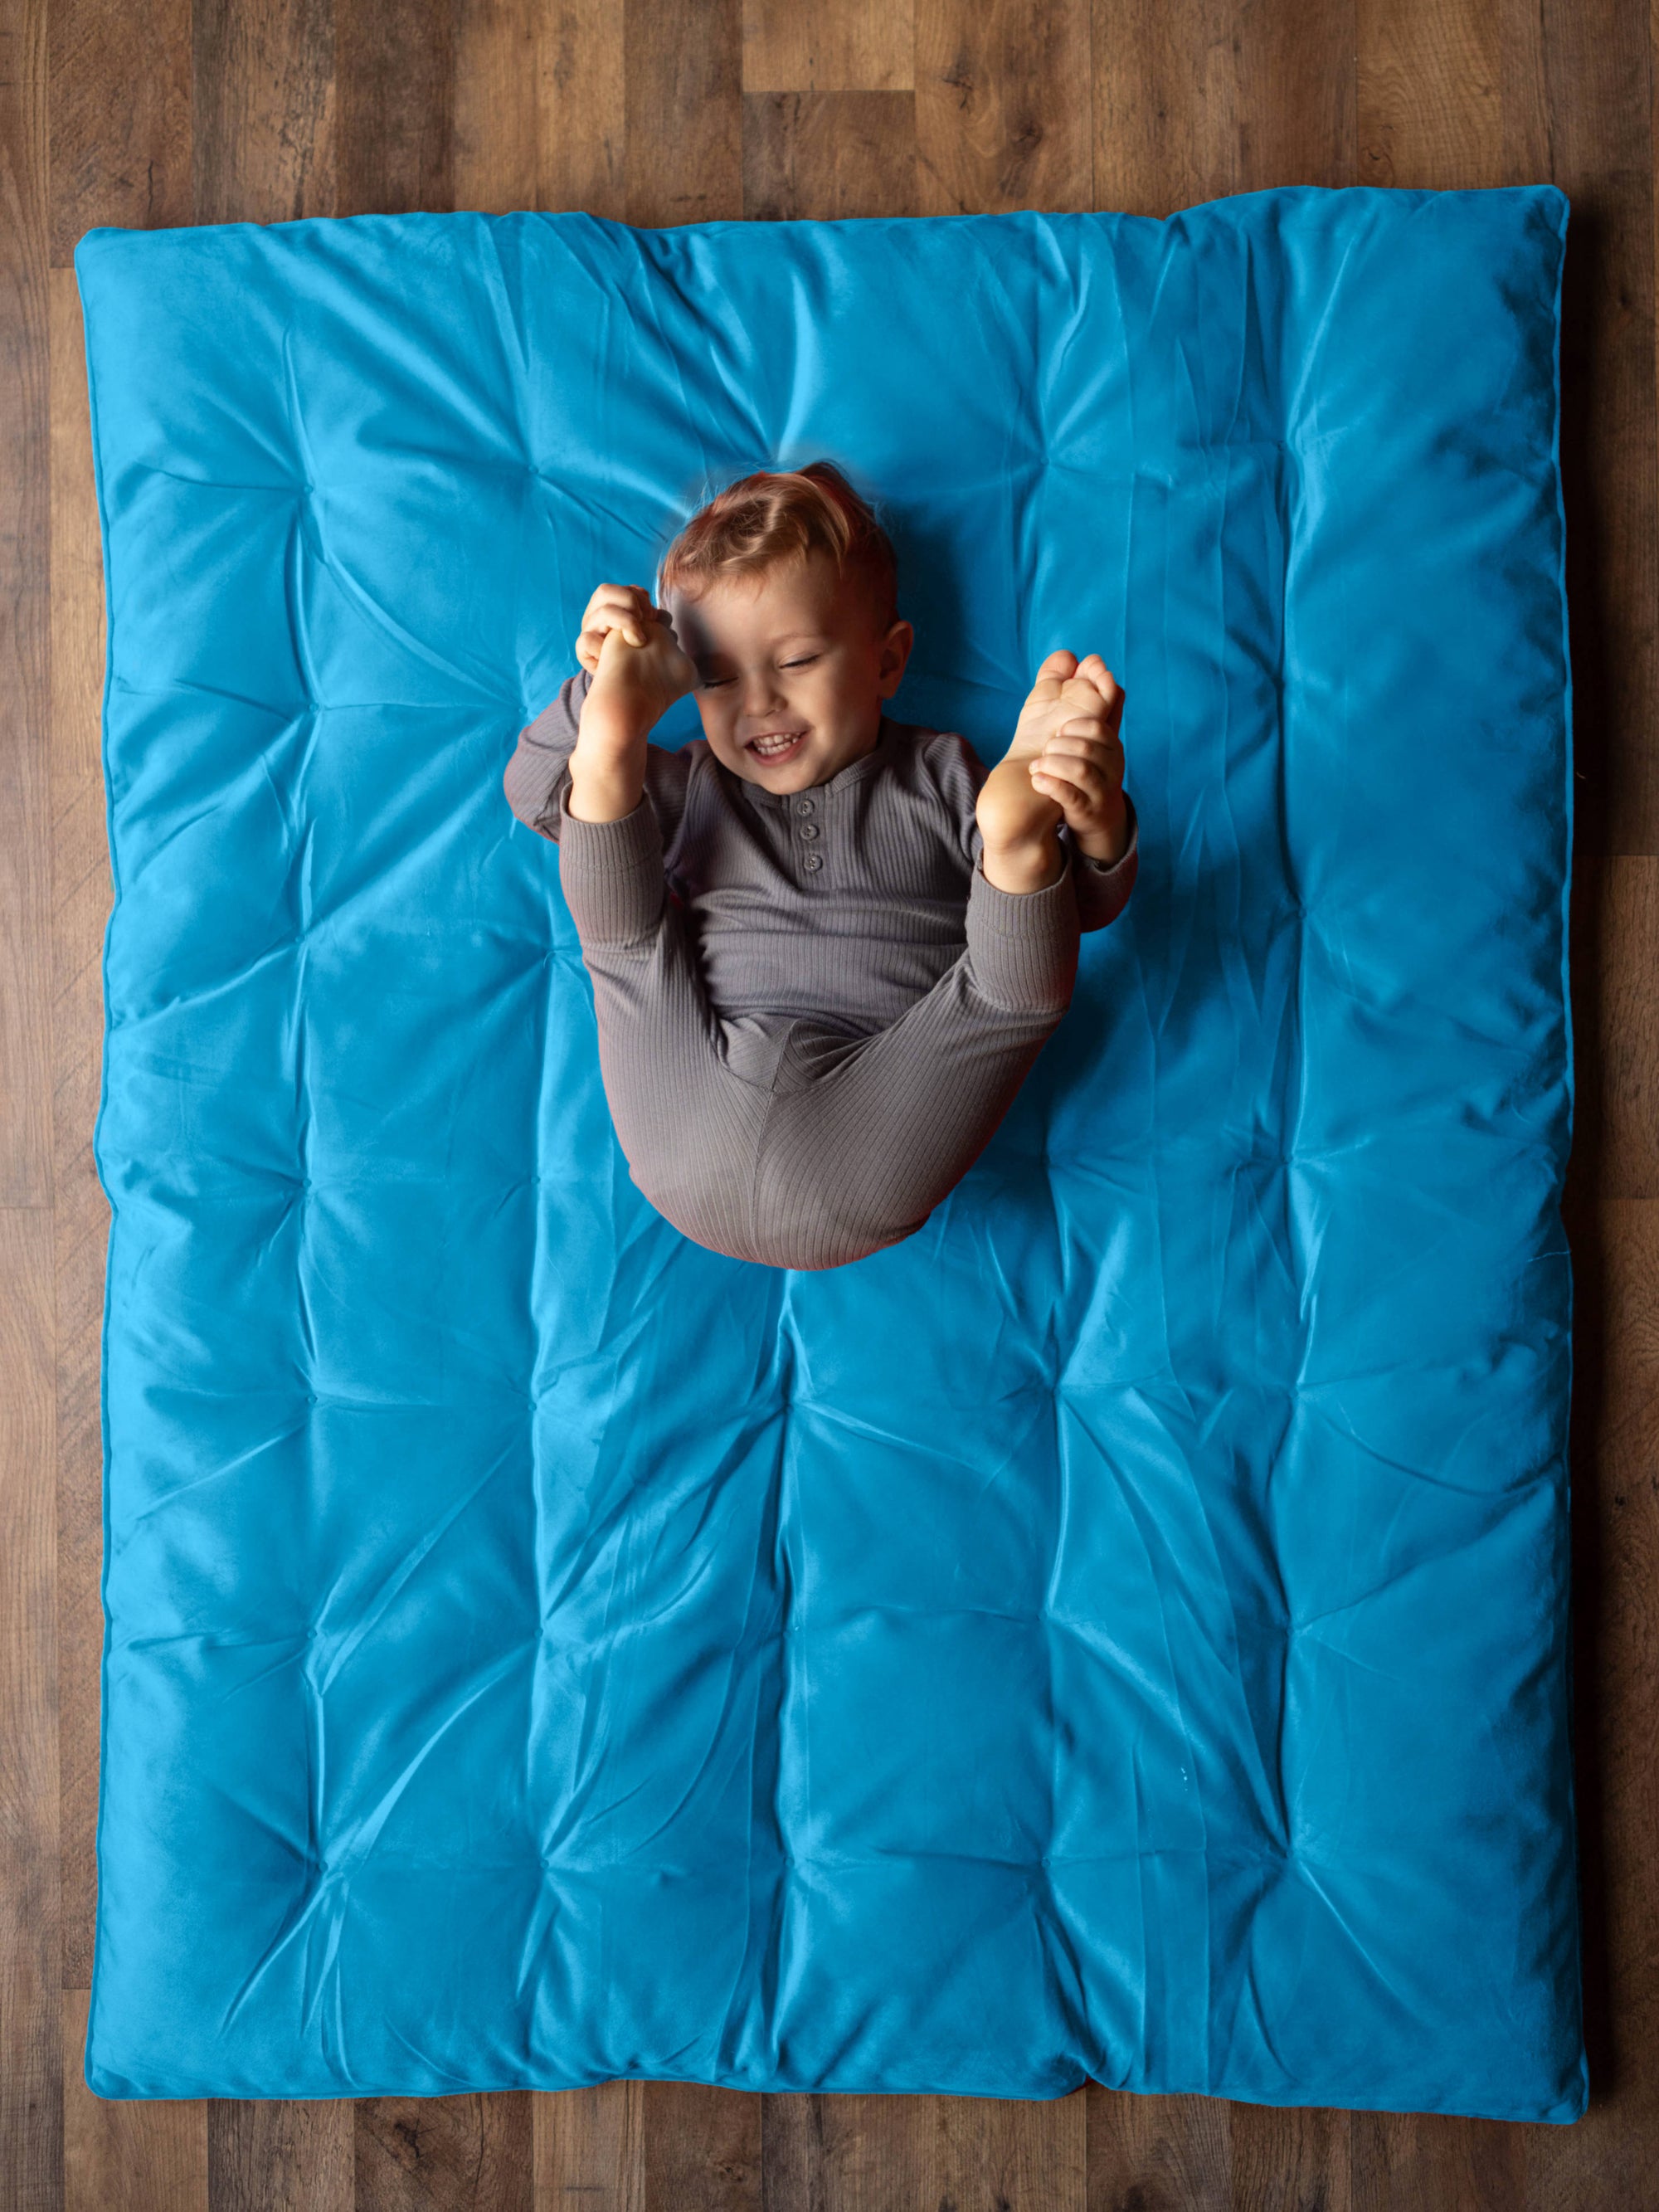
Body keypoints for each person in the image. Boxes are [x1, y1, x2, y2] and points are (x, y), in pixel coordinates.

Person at [502, 460, 1139, 1270]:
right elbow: (532, 793)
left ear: (886, 661)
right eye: (718, 676)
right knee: (621, 926)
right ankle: (609, 740)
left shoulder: (945, 777)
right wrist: (597, 686)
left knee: (1014, 988)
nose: (759, 702)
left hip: (876, 1115)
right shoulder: (691, 780)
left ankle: (1018, 835)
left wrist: (1090, 817)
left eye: (797, 661)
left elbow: (1075, 906)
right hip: (686, 1104)